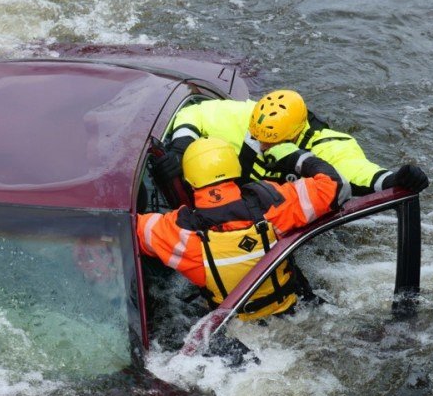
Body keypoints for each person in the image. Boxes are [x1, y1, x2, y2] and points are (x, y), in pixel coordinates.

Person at [137, 136, 349, 326]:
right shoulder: (275, 203)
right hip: (297, 316)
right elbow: (336, 186)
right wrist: (297, 158)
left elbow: (125, 228)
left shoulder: (176, 231)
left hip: (237, 330)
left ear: (190, 180)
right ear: (235, 168)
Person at [154, 90, 429, 197]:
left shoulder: (328, 146)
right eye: (259, 139)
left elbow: (362, 175)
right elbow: (195, 112)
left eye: (271, 143)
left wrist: (397, 179)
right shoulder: (248, 117)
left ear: (295, 135)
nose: (262, 147)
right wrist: (181, 147)